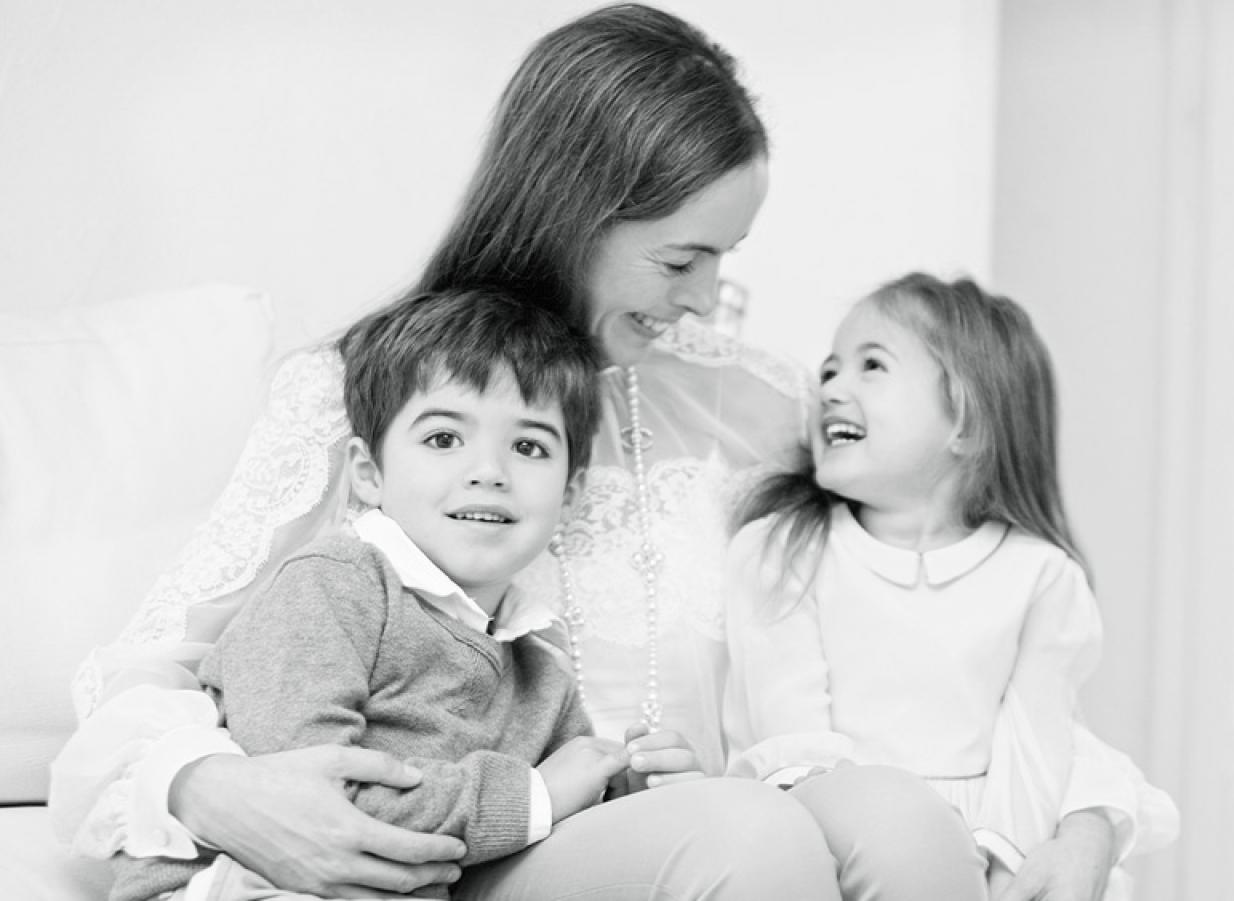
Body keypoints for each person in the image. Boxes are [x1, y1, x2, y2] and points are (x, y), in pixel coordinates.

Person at [49, 5, 1162, 900]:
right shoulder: (377, 395)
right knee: (750, 834)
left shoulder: (758, 405)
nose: (704, 298)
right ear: (574, 208)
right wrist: (210, 787)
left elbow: (954, 643)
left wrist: (1088, 818)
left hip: (729, 807)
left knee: (898, 816)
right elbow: (144, 675)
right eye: (681, 260)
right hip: (496, 846)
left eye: (724, 259)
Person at [112, 290, 637, 900]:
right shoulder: (332, 583)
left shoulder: (543, 668)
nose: (489, 472)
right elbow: (309, 797)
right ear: (369, 473)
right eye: (443, 439)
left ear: (569, 497)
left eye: (528, 447)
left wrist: (628, 789)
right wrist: (533, 798)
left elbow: (567, 818)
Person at [723, 274, 1179, 901]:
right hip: (835, 852)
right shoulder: (784, 552)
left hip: (988, 862)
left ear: (967, 421)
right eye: (830, 370)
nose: (830, 388)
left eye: (871, 365)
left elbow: (1037, 753)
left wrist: (1005, 873)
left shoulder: (1039, 576)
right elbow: (792, 743)